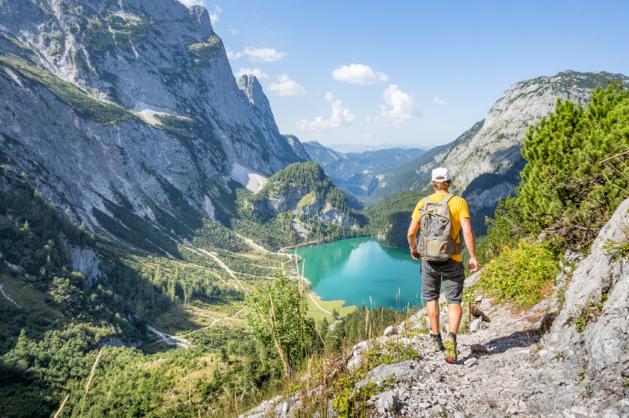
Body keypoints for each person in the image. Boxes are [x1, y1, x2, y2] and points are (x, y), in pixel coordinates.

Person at [406, 167, 479, 364]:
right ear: (449, 182)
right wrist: (472, 256)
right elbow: (467, 231)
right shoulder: (458, 202)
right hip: (452, 259)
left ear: (432, 183)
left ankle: (435, 337)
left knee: (431, 298)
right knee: (454, 301)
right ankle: (452, 337)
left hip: (428, 259)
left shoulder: (423, 203)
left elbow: (411, 233)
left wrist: (414, 249)